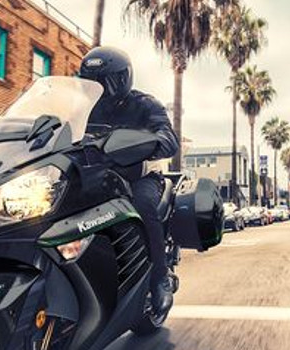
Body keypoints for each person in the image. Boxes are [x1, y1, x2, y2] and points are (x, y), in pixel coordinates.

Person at [78, 47, 179, 310]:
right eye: (93, 81)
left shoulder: (144, 104)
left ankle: (160, 279)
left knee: (143, 207)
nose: (100, 87)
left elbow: (169, 138)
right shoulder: (81, 107)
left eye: (106, 81)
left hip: (139, 176)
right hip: (95, 176)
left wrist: (152, 141)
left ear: (122, 79)